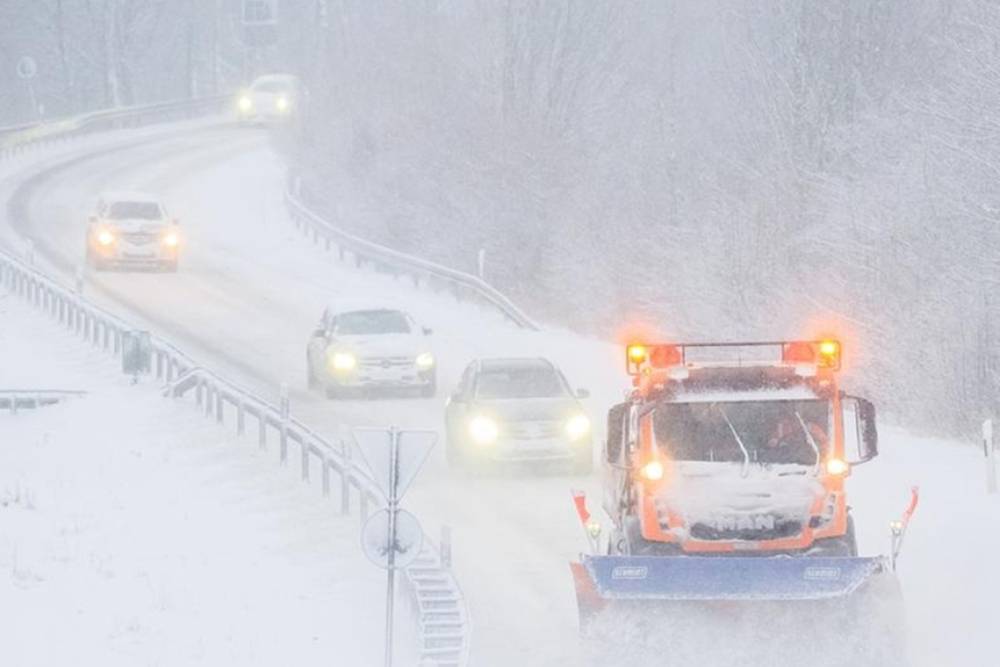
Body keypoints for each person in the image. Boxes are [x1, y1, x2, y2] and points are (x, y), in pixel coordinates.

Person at [760, 413, 828, 465]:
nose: (788, 425)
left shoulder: (810, 428)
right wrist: (776, 441)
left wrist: (813, 443)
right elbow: (769, 448)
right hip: (780, 467)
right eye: (784, 423)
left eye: (790, 421)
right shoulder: (778, 431)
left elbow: (826, 444)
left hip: (810, 466)